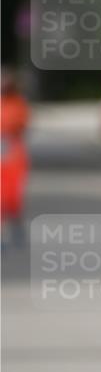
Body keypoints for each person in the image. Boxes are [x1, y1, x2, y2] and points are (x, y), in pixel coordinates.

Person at [1, 67, 31, 247]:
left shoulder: (17, 102)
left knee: (12, 196)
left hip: (12, 153)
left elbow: (21, 124)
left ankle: (15, 225)